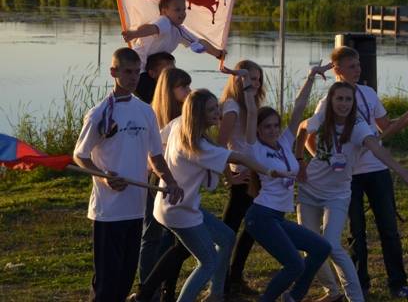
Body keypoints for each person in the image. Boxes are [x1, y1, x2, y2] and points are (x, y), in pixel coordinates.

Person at [134, 88, 291, 302]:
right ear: (197, 114)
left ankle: (215, 294)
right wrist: (270, 171)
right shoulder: (198, 146)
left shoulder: (180, 125)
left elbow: (157, 141)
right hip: (179, 211)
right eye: (211, 110)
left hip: (179, 205)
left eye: (217, 107)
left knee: (226, 237)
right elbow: (239, 159)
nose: (218, 112)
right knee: (208, 262)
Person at [313, 46, 408, 300]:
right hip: (349, 176)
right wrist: (325, 161)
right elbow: (312, 135)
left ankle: (398, 284)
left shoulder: (368, 93)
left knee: (389, 228)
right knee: (357, 232)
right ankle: (360, 285)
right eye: (352, 66)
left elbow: (385, 128)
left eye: (358, 64)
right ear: (337, 70)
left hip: (377, 169)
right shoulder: (329, 101)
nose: (358, 69)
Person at [73, 47, 183, 302]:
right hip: (108, 211)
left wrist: (171, 181)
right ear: (114, 72)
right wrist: (104, 176)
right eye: (128, 72)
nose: (133, 78)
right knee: (106, 284)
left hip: (135, 209)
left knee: (124, 280)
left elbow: (156, 156)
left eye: (136, 72)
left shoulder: (146, 111)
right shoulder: (100, 113)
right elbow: (80, 155)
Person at [244, 63, 333, 302]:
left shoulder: (284, 142)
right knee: (294, 265)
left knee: (321, 248)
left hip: (277, 217)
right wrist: (247, 88)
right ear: (258, 130)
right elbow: (251, 113)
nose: (273, 130)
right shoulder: (254, 149)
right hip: (261, 216)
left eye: (275, 125)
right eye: (267, 127)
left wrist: (311, 76)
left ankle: (293, 297)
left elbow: (299, 107)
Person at [137, 67, 192, 300]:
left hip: (180, 180)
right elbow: (150, 154)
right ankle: (147, 288)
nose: (189, 91)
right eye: (183, 87)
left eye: (188, 85)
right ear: (169, 90)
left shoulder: (187, 113)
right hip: (158, 179)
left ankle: (167, 289)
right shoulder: (153, 115)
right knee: (152, 235)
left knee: (175, 239)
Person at [217, 60, 266, 296]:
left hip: (254, 174)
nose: (255, 83)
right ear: (237, 80)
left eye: (258, 79)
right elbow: (219, 146)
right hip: (242, 176)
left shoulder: (250, 104)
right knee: (229, 231)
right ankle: (221, 283)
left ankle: (235, 277)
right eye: (250, 78)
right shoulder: (232, 107)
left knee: (252, 228)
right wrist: (230, 176)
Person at [122, 0, 224, 70]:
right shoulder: (164, 21)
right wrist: (134, 34)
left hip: (150, 69)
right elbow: (151, 28)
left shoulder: (180, 31)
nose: (182, 13)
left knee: (172, 73)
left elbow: (201, 43)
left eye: (184, 9)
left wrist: (218, 54)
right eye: (177, 10)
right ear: (164, 11)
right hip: (136, 68)